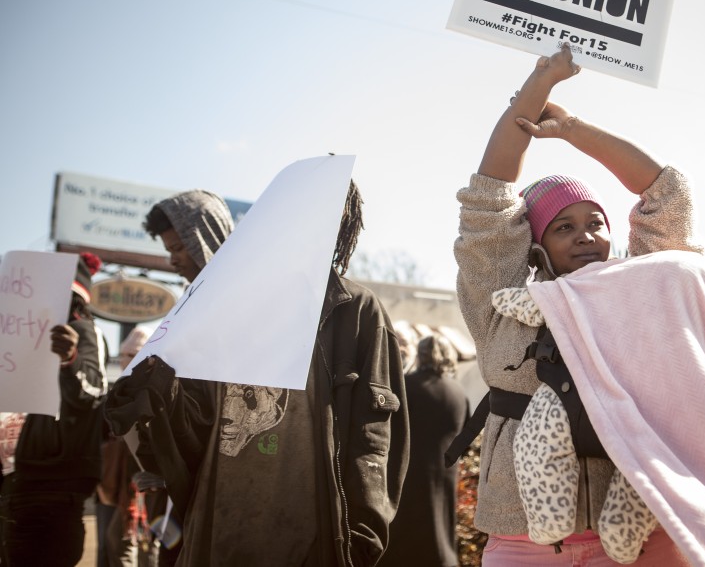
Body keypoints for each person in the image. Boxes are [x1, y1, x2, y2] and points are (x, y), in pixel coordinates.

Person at [453, 44, 703, 565]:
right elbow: (489, 198)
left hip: (640, 540)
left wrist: (573, 129)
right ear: (535, 245)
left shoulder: (642, 291)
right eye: (564, 227)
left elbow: (669, 197)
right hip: (525, 542)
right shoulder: (501, 303)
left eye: (595, 223)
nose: (586, 235)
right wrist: (541, 81)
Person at [104, 183, 410, 566]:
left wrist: (362, 536)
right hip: (217, 535)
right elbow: (198, 424)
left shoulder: (355, 311)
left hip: (312, 541)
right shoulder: (218, 315)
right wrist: (158, 393)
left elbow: (375, 434)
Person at [0, 252, 107, 567]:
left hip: (52, 490)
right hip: (16, 485)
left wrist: (69, 359)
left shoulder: (86, 332)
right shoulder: (17, 333)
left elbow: (93, 393)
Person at [379, 335, 469, 567]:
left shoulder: (405, 387)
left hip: (405, 468)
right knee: (439, 525)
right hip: (444, 472)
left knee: (403, 530)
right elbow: (465, 439)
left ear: (419, 355)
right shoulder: (458, 393)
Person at [97, 326, 157, 567]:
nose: (125, 360)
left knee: (136, 543)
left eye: (132, 355)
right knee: (119, 542)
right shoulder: (117, 390)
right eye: (123, 354)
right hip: (117, 484)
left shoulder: (152, 391)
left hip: (143, 484)